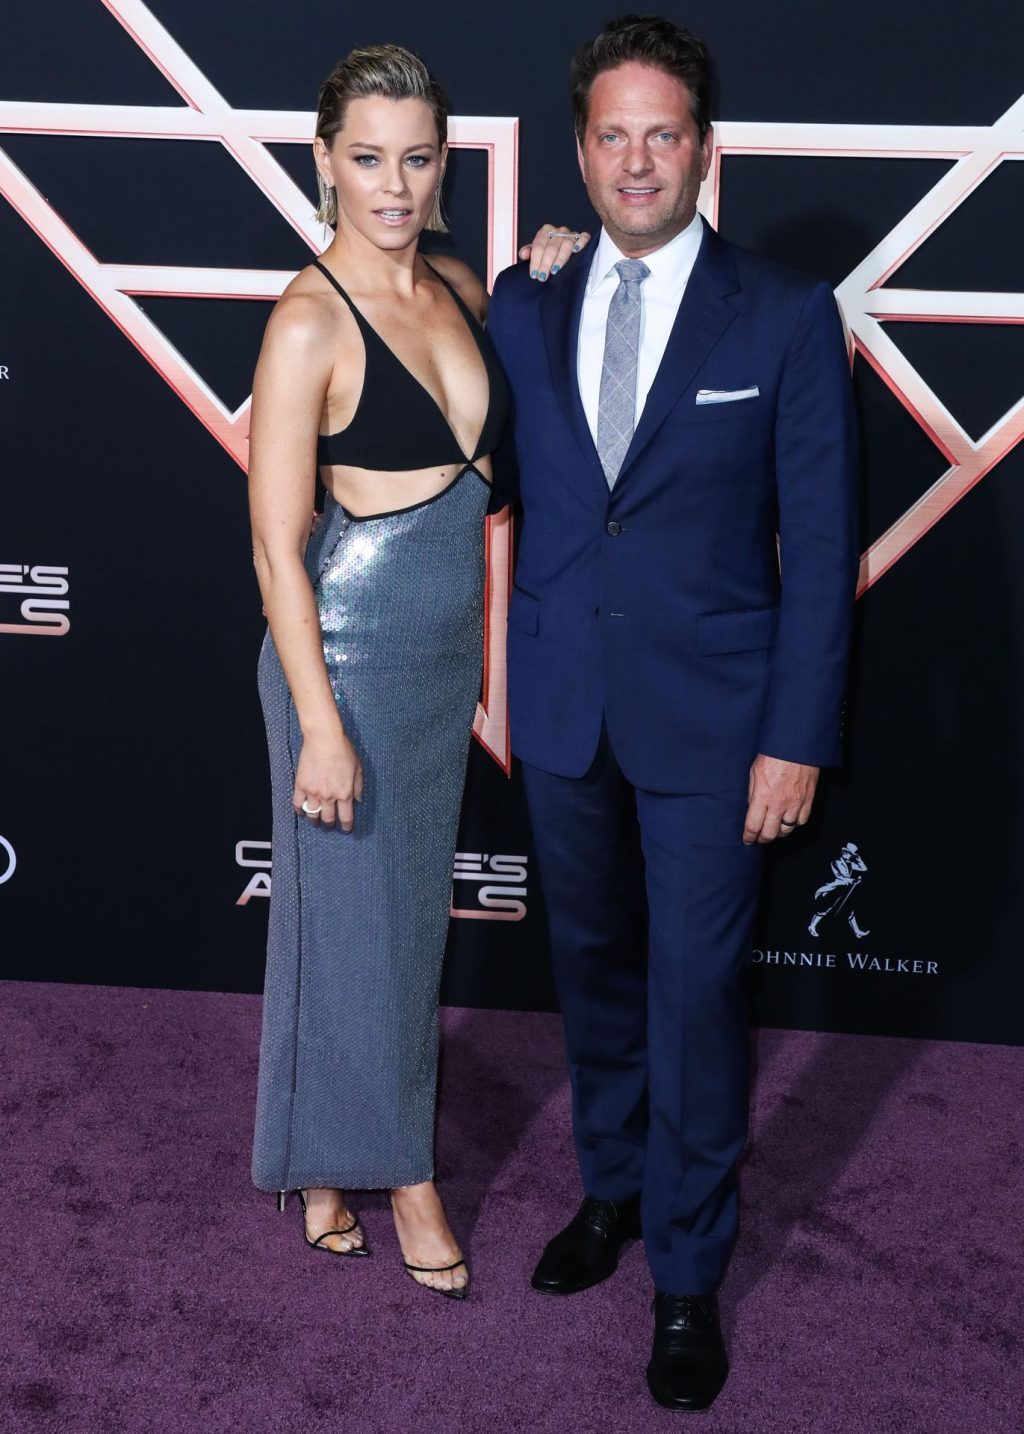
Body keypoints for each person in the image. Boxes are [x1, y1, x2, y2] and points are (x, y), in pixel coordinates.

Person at [487, 15, 858, 1409]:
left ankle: (690, 1271)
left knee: (696, 996)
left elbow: (820, 548)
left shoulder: (784, 313)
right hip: (562, 706)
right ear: (580, 150)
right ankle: (614, 1190)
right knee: (592, 972)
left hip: (717, 721)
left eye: (662, 134)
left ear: (703, 150)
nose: (635, 160)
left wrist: (795, 735)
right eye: (611, 135)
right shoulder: (525, 302)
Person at [247, 43, 586, 1299]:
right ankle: (405, 1178)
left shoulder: (456, 284)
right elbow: (275, 548)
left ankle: (321, 1164)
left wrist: (550, 263)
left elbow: (530, 333)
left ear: (443, 163)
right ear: (324, 161)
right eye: (368, 158)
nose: (394, 184)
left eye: (418, 158)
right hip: (340, 662)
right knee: (359, 935)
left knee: (379, 932)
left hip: (440, 664)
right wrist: (321, 725)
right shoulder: (305, 322)